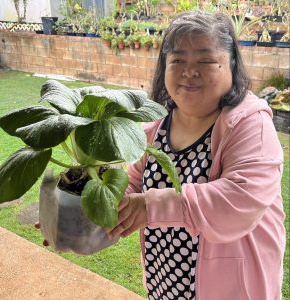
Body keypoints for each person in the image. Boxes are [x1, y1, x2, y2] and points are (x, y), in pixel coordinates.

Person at [107, 10, 286, 300]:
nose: (189, 71)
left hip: (235, 290)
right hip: (166, 284)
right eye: (177, 60)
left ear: (231, 66)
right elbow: (131, 185)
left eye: (205, 60)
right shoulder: (155, 125)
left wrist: (149, 207)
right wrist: (83, 211)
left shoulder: (252, 124)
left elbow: (237, 202)